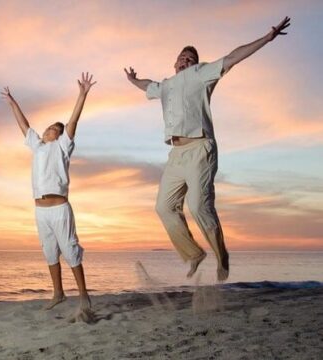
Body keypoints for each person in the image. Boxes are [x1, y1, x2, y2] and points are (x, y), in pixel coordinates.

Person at [124, 17, 291, 281]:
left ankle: (221, 255)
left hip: (201, 147)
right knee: (164, 207)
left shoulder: (202, 74)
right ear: (174, 62)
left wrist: (266, 39)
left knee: (199, 204)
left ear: (195, 63)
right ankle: (193, 254)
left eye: (190, 58)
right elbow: (147, 85)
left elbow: (233, 57)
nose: (185, 60)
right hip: (176, 154)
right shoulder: (166, 85)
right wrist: (133, 80)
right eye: (181, 57)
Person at [1, 73, 95, 321]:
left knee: (71, 251)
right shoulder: (37, 146)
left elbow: (72, 122)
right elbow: (24, 125)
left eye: (53, 129)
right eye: (47, 128)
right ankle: (58, 293)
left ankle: (84, 295)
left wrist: (82, 95)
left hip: (59, 208)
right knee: (50, 252)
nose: (47, 131)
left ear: (59, 135)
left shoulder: (63, 146)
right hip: (40, 210)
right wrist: (12, 102)